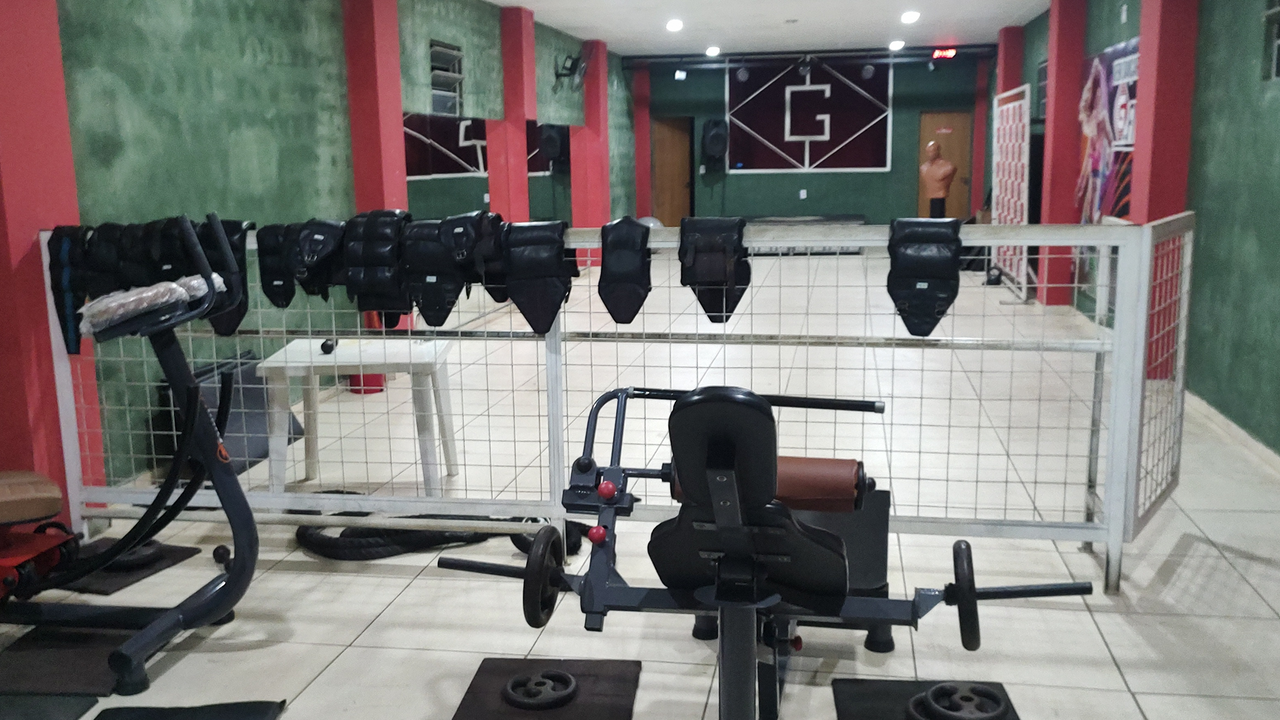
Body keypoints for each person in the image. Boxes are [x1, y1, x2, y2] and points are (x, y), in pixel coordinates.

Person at [920, 141, 957, 219]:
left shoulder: (947, 166)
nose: (930, 154)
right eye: (928, 151)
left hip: (940, 195)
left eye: (932, 151)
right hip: (931, 195)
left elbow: (945, 172)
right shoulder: (924, 167)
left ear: (937, 151)